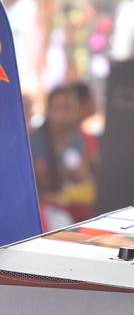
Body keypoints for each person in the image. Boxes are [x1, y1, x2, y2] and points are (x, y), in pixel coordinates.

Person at [29, 84, 95, 225]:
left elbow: (84, 176)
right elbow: (43, 185)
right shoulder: (37, 140)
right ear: (48, 110)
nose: (63, 115)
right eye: (58, 108)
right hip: (43, 205)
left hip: (70, 202)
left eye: (67, 108)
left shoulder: (75, 138)